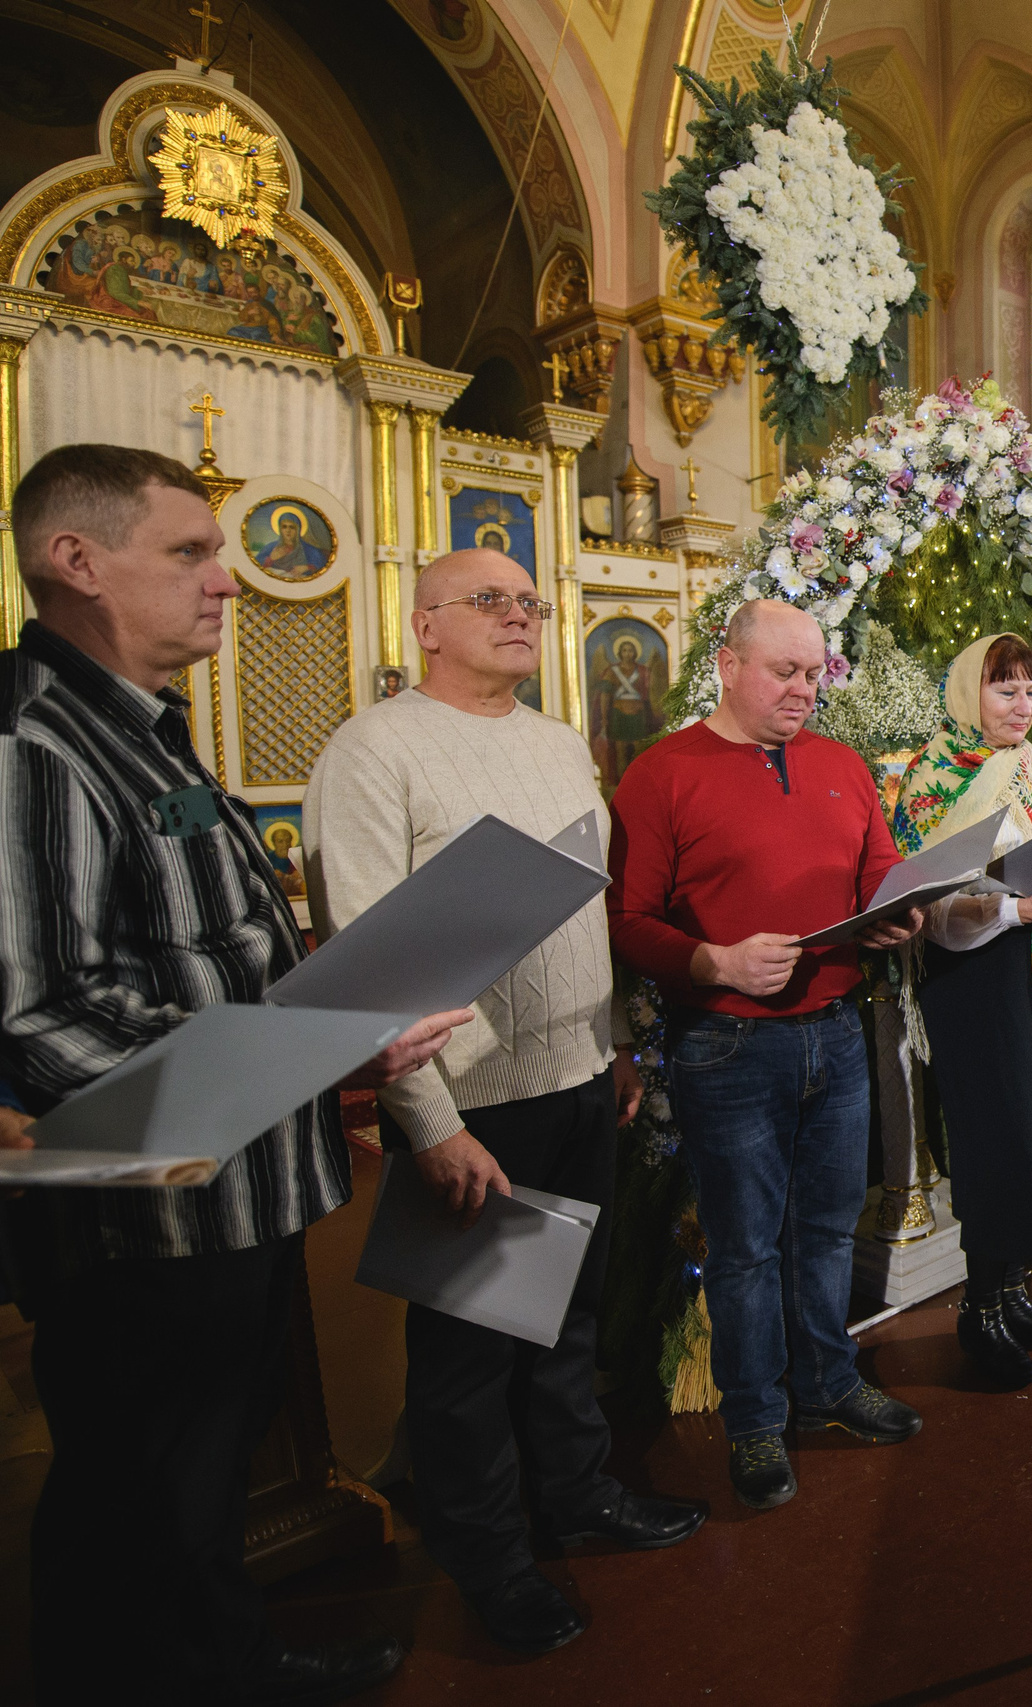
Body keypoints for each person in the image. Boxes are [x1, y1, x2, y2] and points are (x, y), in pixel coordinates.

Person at [0, 443, 471, 1704]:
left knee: (200, 1480)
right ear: (77, 561)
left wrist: (327, 1031)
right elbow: (39, 1014)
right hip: (145, 1208)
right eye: (190, 552)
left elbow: (207, 949)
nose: (228, 580)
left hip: (236, 1183)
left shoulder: (142, 728)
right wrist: (302, 1047)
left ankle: (231, 1663)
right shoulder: (36, 743)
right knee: (132, 1495)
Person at [303, 549, 705, 1653]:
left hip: (579, 1080)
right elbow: (370, 960)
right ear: (425, 622)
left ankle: (575, 1493)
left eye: (531, 602)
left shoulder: (556, 741)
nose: (521, 616)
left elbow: (587, 910)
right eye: (492, 600)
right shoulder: (374, 750)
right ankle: (490, 1558)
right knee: (469, 1350)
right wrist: (429, 1123)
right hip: (473, 1102)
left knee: (566, 1319)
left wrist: (615, 1042)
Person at [607, 600, 925, 1512]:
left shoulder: (839, 763)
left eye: (816, 673)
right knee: (744, 1248)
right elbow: (627, 918)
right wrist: (714, 959)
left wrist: (896, 907)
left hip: (836, 1026)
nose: (803, 690)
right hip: (726, 1042)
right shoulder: (662, 774)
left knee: (828, 1227)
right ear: (727, 663)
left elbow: (876, 866)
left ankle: (828, 1379)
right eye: (785, 671)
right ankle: (754, 1418)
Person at [896, 634, 1032, 1386]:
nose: (1023, 705)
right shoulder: (932, 778)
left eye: (1030, 690)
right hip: (973, 981)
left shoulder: (1030, 769)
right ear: (967, 694)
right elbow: (929, 907)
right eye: (1004, 689)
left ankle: (1013, 1292)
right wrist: (1021, 911)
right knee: (994, 1142)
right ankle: (977, 1310)